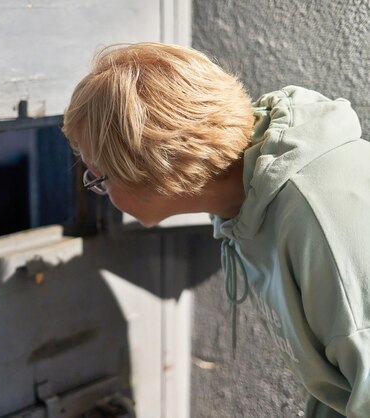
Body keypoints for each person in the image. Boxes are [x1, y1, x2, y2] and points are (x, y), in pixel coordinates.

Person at [62, 42, 370, 417]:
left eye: (100, 177)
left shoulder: (321, 223)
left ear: (159, 170)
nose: (96, 186)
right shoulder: (242, 196)